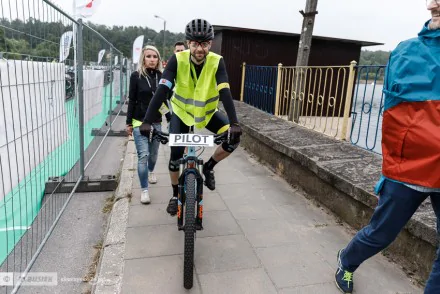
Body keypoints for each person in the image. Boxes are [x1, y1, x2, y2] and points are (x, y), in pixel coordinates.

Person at [335, 1, 440, 293]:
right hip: (410, 169)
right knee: (381, 233)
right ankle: (347, 260)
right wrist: (393, 166)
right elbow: (393, 115)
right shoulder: (406, 51)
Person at [140, 18, 242, 216]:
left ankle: (209, 167)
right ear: (188, 43)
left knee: (233, 140)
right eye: (195, 43)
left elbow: (225, 92)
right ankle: (175, 194)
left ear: (210, 44)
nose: (200, 49)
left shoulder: (217, 61)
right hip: (181, 114)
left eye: (204, 43)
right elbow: (162, 90)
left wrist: (234, 123)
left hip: (207, 114)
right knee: (175, 157)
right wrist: (146, 121)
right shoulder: (177, 60)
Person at [126, 45, 171, 204]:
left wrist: (169, 117)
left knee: (153, 155)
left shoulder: (162, 76)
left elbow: (162, 101)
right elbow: (132, 100)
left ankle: (151, 171)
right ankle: (144, 190)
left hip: (157, 122)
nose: (152, 59)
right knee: (143, 156)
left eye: (155, 56)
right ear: (143, 59)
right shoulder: (135, 76)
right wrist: (129, 123)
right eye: (149, 56)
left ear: (158, 59)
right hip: (139, 122)